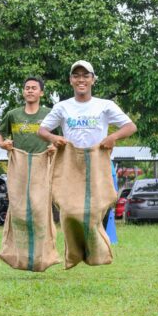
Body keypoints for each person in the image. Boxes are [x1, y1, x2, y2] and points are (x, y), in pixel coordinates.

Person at [38, 60, 137, 269]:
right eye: (76, 76)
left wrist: (112, 138)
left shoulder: (105, 105)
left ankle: (97, 252)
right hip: (70, 164)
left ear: (92, 79)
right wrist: (54, 138)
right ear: (71, 80)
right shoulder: (62, 107)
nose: (81, 79)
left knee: (96, 210)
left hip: (97, 162)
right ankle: (74, 253)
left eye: (85, 75)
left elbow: (130, 126)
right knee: (70, 210)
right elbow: (42, 130)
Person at [0, 77, 60, 271]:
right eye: (27, 88)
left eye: (34, 88)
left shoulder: (49, 114)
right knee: (19, 210)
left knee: (40, 211)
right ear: (23, 92)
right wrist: (2, 143)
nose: (30, 91)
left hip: (42, 166)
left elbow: (59, 138)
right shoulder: (13, 115)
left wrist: (54, 146)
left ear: (41, 93)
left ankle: (44, 257)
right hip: (19, 167)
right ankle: (16, 255)